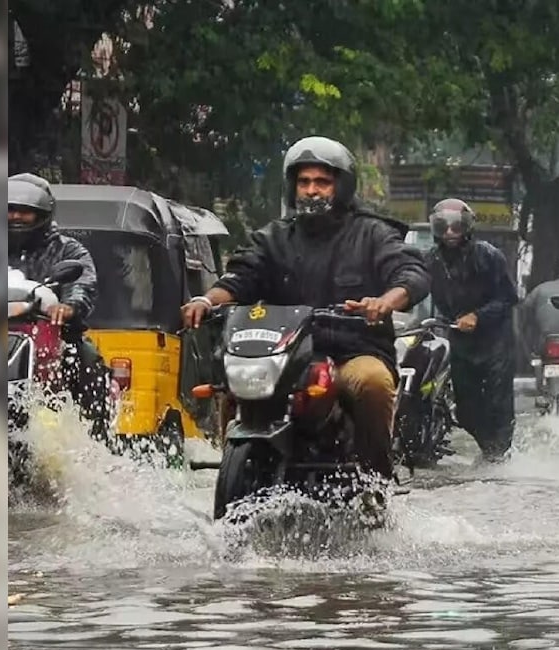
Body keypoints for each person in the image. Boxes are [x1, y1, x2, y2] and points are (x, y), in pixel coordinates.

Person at [180, 136, 429, 481]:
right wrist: (206, 301)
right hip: (284, 356)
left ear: (341, 187)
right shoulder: (273, 238)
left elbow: (410, 273)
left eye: (322, 182)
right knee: (237, 384)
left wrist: (384, 302)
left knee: (372, 383)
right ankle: (234, 463)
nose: (312, 190)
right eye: (304, 182)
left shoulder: (372, 233)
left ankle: (376, 480)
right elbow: (240, 277)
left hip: (353, 353)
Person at [7, 174, 108, 439]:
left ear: (43, 214)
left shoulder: (68, 250)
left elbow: (83, 281)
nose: (15, 216)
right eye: (9, 209)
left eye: (25, 211)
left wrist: (69, 306)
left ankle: (94, 440)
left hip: (53, 332)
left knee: (88, 361)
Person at [425, 198, 519, 462]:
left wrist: (478, 316)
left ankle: (499, 458)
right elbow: (414, 288)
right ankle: (488, 449)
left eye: (456, 226)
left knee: (498, 406)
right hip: (459, 341)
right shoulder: (430, 260)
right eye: (444, 226)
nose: (450, 233)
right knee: (465, 410)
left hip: (495, 343)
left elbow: (508, 298)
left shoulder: (488, 255)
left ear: (467, 227)